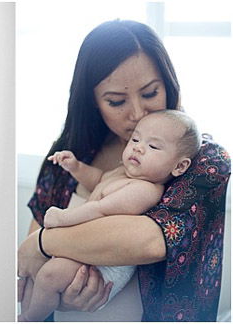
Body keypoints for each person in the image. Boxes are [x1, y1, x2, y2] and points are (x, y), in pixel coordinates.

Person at [18, 19, 229, 321]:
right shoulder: (71, 153)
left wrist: (42, 243)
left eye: (150, 93)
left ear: (168, 85)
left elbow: (151, 240)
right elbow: (31, 263)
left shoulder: (203, 161)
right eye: (116, 101)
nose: (138, 114)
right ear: (93, 103)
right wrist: (60, 299)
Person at [19, 110, 200, 321]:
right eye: (135, 139)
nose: (138, 147)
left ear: (179, 166)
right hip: (84, 247)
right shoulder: (122, 172)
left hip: (105, 263)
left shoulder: (146, 190)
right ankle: (24, 313)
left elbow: (102, 208)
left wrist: (62, 220)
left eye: (153, 146)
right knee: (36, 273)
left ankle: (29, 318)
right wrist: (75, 167)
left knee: (50, 275)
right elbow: (98, 181)